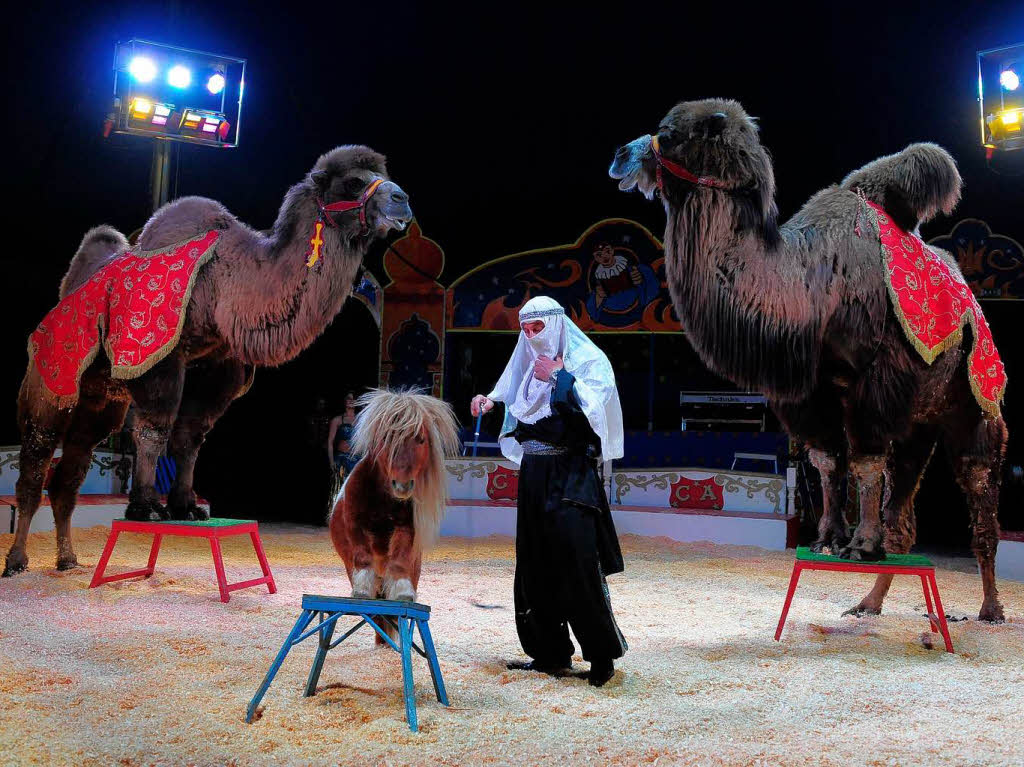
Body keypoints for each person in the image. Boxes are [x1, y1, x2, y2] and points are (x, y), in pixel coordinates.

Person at [470, 295, 627, 687]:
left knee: (577, 561)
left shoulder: (589, 363)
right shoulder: (526, 369)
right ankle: (548, 652)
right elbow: (516, 407)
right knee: (533, 562)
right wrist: (490, 401)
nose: (530, 336)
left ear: (556, 324)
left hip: (571, 474)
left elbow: (588, 416)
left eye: (537, 328)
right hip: (536, 475)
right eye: (524, 329)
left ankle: (601, 658)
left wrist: (559, 377)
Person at [327, 392, 359, 479]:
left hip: (357, 460)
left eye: (354, 398)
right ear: (345, 401)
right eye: (349, 398)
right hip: (343, 459)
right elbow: (330, 442)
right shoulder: (337, 420)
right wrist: (331, 461)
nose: (352, 400)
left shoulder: (362, 419)